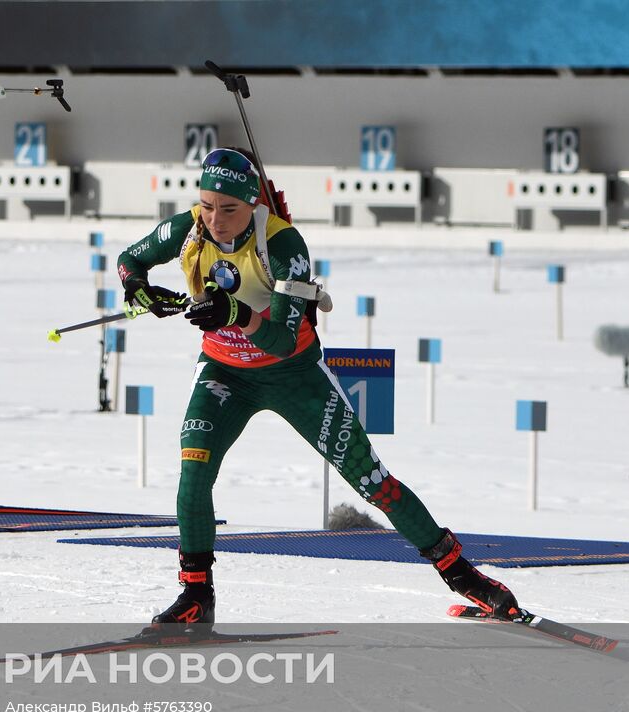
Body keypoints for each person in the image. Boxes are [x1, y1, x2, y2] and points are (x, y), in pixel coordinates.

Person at [115, 146, 521, 630]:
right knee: (193, 474)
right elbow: (130, 259)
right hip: (225, 373)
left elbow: (284, 340)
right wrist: (137, 288)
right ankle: (196, 593)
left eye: (229, 209)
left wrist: (234, 313)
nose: (215, 220)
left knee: (372, 480)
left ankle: (465, 576)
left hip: (294, 375)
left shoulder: (284, 245)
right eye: (206, 205)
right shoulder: (190, 229)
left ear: (254, 205)